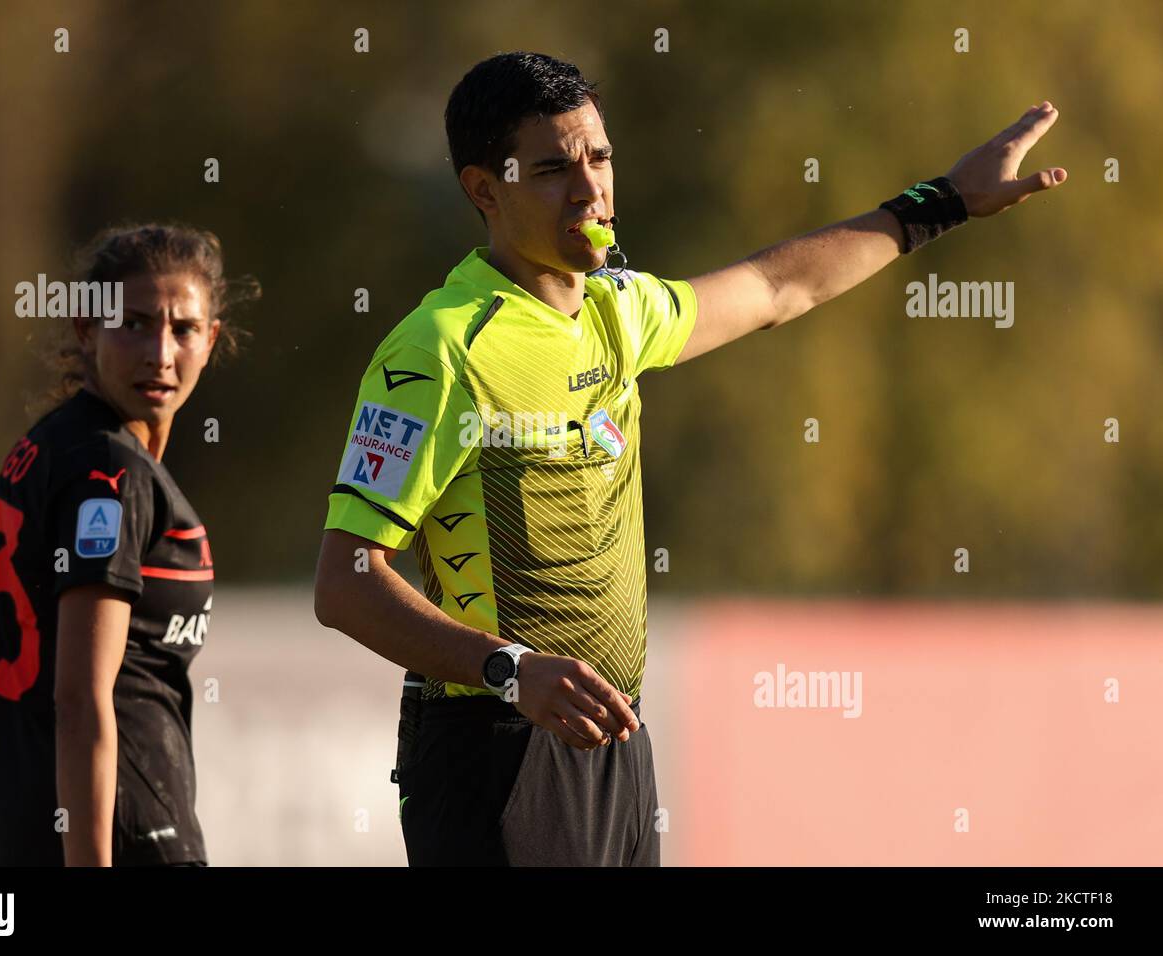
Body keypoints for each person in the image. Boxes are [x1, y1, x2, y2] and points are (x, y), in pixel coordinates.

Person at [314, 52, 1065, 866]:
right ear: (484, 190)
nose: (589, 188)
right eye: (552, 169)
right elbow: (344, 582)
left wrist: (943, 202)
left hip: (614, 743)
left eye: (599, 157)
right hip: (497, 749)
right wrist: (509, 669)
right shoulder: (440, 348)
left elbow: (781, 290)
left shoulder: (620, 310)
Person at [0, 223, 256, 866]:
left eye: (183, 328)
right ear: (85, 328)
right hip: (123, 840)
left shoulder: (48, 446)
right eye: (132, 323)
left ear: (210, 340)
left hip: (15, 838)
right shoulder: (110, 472)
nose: (160, 352)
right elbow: (79, 699)